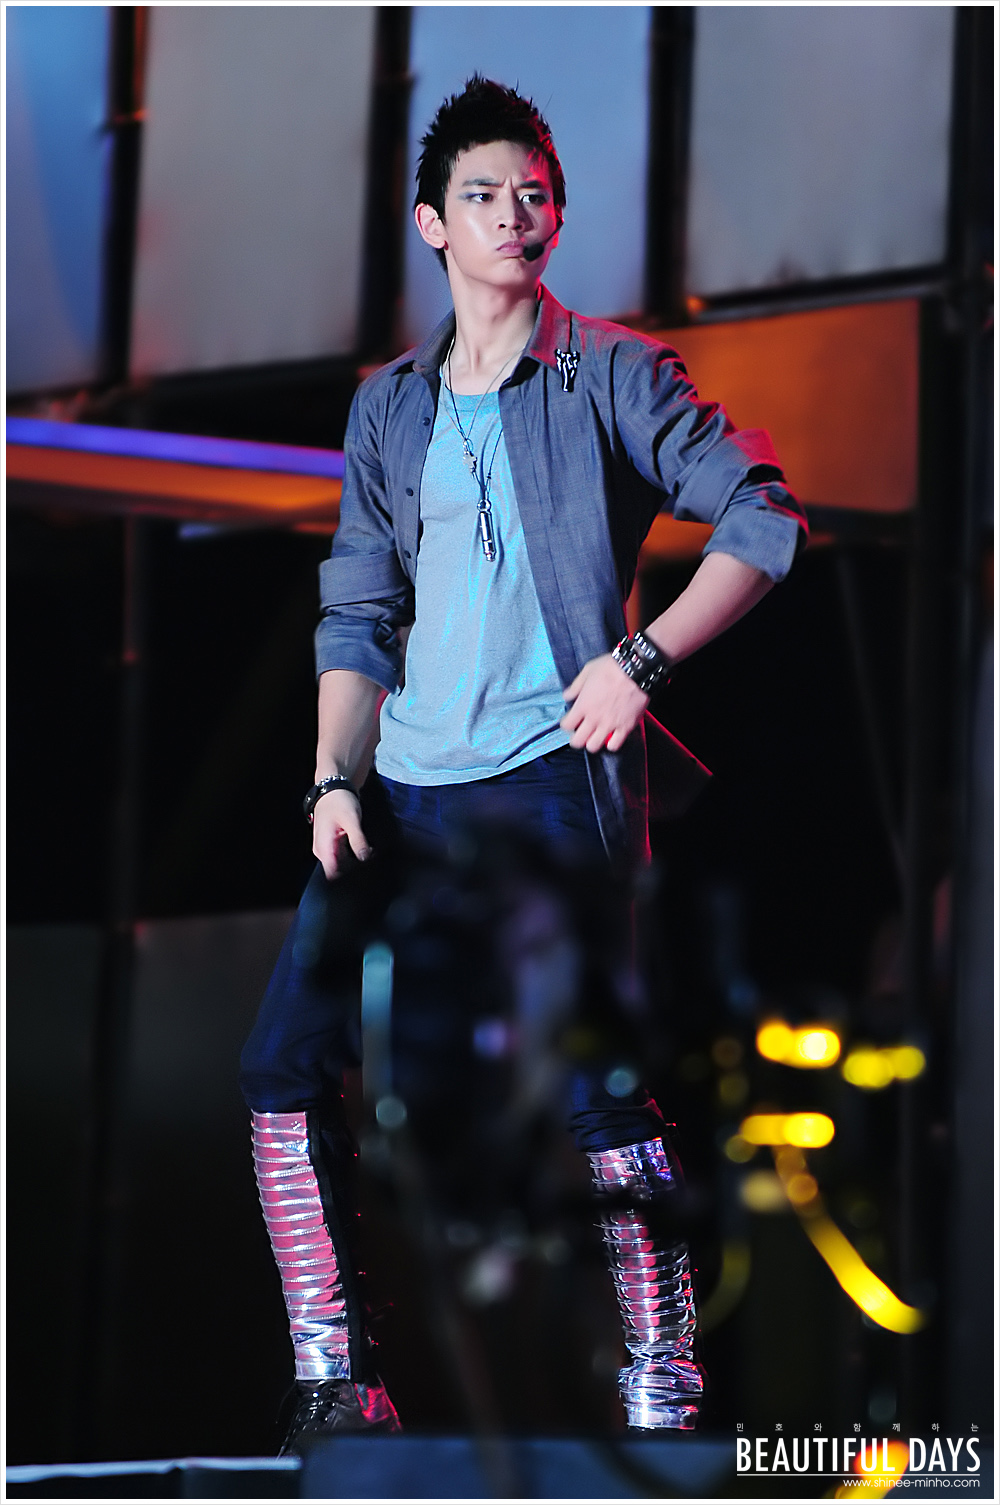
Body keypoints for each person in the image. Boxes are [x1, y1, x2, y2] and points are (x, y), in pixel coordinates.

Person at [240, 75, 807, 1451]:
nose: (515, 214)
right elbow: (357, 611)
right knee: (282, 1065)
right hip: (404, 795)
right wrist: (331, 779)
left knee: (594, 1088)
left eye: (536, 193)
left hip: (552, 783)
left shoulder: (611, 373)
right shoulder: (389, 408)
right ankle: (338, 1377)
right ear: (432, 223)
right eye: (485, 194)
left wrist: (642, 661)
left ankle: (662, 1391)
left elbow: (761, 516)